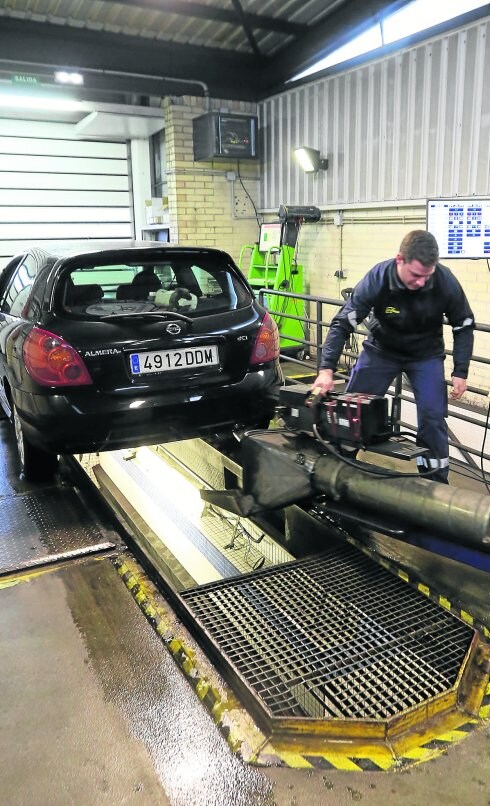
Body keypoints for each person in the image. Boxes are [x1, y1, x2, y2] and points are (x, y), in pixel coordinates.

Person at [310, 230, 475, 483]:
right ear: (400, 260)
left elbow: (463, 325)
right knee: (352, 405)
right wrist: (326, 369)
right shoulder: (379, 278)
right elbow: (344, 322)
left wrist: (460, 370)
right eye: (416, 275)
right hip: (382, 350)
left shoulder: (444, 281)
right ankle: (338, 466)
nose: (421, 282)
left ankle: (436, 482)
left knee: (432, 416)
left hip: (425, 355)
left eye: (426, 276)